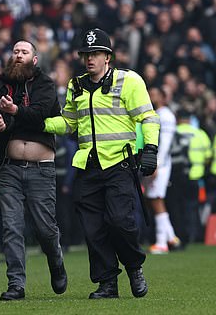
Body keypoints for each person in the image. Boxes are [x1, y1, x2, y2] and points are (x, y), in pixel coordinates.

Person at [42, 28, 158, 299]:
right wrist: (39, 122)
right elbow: (69, 123)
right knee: (93, 229)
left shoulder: (128, 81)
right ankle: (107, 282)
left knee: (120, 222)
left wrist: (150, 149)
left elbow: (148, 118)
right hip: (88, 166)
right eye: (86, 54)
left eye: (95, 54)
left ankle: (133, 267)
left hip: (119, 163)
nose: (89, 59)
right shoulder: (76, 85)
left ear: (108, 57)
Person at [0, 40, 67, 301]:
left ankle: (56, 261)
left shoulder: (45, 84)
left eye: (24, 52)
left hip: (41, 168)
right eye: (15, 51)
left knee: (45, 228)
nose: (18, 55)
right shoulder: (1, 84)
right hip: (9, 168)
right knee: (12, 226)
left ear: (34, 59)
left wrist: (14, 111)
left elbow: (40, 115)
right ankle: (16, 284)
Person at [167, 109, 212, 245]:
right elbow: (208, 156)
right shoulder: (199, 133)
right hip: (195, 177)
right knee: (192, 207)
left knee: (176, 208)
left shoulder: (173, 133)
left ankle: (179, 235)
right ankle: (194, 235)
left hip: (176, 176)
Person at [145, 87, 181, 254]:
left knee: (156, 199)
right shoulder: (155, 113)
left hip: (161, 164)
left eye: (154, 94)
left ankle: (161, 242)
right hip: (156, 162)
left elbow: (165, 144)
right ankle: (171, 238)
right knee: (154, 199)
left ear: (163, 97)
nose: (150, 97)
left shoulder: (165, 116)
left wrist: (156, 164)